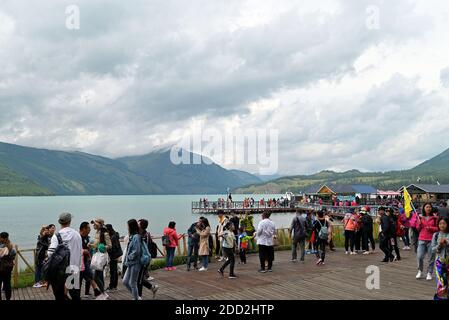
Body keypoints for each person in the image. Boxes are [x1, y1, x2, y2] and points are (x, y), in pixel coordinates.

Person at [47, 213, 82, 301]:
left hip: (60, 272)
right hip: (74, 269)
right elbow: (79, 252)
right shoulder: (77, 235)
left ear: (60, 222)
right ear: (70, 221)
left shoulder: (57, 236)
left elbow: (50, 254)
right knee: (75, 295)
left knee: (59, 296)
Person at [79, 222, 107, 300]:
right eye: (88, 228)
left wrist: (89, 256)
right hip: (78, 263)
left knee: (91, 277)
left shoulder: (87, 238)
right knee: (81, 279)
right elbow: (74, 249)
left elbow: (89, 249)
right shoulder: (78, 237)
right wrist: (84, 251)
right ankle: (98, 292)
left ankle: (99, 292)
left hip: (85, 262)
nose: (90, 229)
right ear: (84, 229)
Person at [415, 203, 439, 280]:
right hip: (421, 239)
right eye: (427, 207)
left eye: (429, 207)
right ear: (424, 208)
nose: (428, 208)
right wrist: (419, 224)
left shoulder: (435, 218)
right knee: (420, 256)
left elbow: (438, 228)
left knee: (431, 258)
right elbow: (417, 229)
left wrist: (431, 228)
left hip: (432, 240)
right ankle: (420, 271)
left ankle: (429, 272)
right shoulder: (420, 217)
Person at [137, 219, 158, 299]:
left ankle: (139, 296)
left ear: (141, 226)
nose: (137, 225)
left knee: (139, 279)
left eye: (138, 224)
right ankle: (152, 287)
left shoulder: (144, 236)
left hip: (144, 260)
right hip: (143, 259)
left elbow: (144, 249)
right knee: (139, 278)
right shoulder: (143, 234)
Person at [90, 218, 112, 293]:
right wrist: (91, 245)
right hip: (97, 255)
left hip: (102, 257)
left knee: (95, 277)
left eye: (95, 224)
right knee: (99, 276)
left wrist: (102, 247)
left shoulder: (105, 233)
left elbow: (109, 245)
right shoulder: (97, 233)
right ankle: (103, 293)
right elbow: (96, 245)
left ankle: (103, 293)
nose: (93, 225)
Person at [123, 219, 142, 300]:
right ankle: (137, 296)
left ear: (131, 226)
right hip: (130, 263)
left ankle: (136, 298)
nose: (127, 227)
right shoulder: (132, 236)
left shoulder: (136, 237)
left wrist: (129, 256)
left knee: (132, 283)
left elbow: (137, 251)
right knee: (125, 281)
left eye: (128, 226)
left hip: (135, 263)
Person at [431, 216, 449, 300]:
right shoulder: (436, 235)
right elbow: (433, 249)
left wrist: (446, 242)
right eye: (440, 223)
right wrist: (440, 245)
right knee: (441, 281)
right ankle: (441, 298)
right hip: (439, 262)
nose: (442, 225)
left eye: (444, 223)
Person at [105, 224, 122, 291]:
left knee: (113, 271)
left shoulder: (112, 237)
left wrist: (107, 250)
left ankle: (111, 286)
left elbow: (113, 248)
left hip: (113, 255)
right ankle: (114, 286)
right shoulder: (115, 235)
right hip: (116, 255)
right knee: (114, 271)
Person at [0, 232, 16, 301]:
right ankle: (8, 299)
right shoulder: (10, 246)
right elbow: (13, 254)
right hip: (8, 268)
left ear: (2, 238)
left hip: (1, 268)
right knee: (7, 285)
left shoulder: (1, 247)